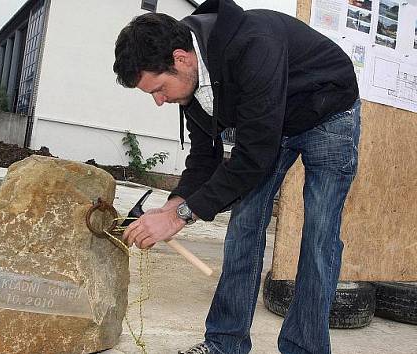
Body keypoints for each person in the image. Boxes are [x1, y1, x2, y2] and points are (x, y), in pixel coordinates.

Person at [114, 0, 361, 353]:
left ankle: (304, 347)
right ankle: (224, 344)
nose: (158, 101)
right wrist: (172, 206)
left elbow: (254, 157)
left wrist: (182, 218)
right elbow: (204, 156)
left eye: (158, 89)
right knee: (245, 223)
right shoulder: (190, 77)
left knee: (319, 236)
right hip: (268, 121)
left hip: (327, 110)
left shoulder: (254, 44)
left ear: (182, 59)